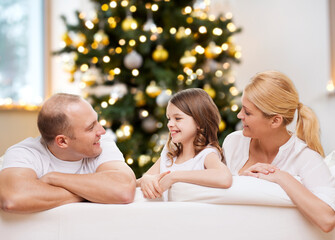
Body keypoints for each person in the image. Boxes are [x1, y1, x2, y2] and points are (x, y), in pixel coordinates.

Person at [223, 71, 335, 232]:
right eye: (242, 108)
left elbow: (327, 220)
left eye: (247, 112)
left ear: (275, 120)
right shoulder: (234, 142)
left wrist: (281, 176)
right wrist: (243, 180)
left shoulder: (306, 158)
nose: (240, 115)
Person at [0, 93, 136, 213]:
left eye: (97, 121)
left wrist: (54, 178)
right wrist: (94, 194)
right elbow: (13, 199)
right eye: (90, 127)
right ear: (62, 142)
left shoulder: (101, 143)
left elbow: (123, 190)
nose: (102, 131)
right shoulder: (24, 153)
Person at [137, 88, 232, 200]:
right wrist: (145, 179)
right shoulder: (169, 154)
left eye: (177, 118)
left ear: (199, 122)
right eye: (169, 119)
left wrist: (174, 176)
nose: (170, 124)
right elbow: (137, 183)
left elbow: (225, 177)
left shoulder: (206, 155)